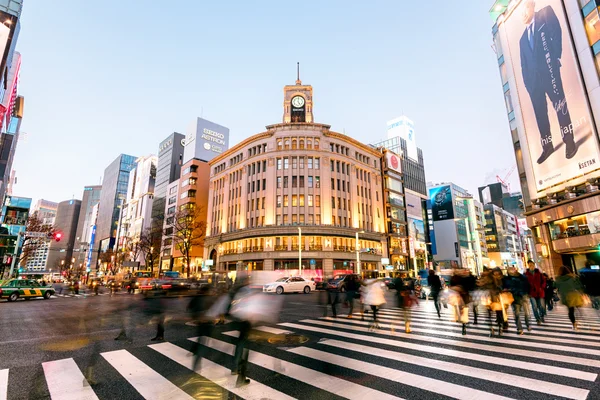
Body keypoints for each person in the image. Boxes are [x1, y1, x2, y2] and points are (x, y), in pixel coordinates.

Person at [519, 0, 577, 164]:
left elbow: (556, 31)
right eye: (520, 12)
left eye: (525, 9)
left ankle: (569, 140)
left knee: (560, 105)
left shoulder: (545, 14)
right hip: (534, 83)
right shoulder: (522, 40)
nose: (523, 14)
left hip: (549, 71)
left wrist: (556, 56)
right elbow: (523, 65)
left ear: (532, 5)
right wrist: (528, 84)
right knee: (540, 115)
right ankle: (547, 146)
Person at [227, 272, 252, 387]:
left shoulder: (235, 290)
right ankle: (241, 377)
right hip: (245, 319)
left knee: (240, 343)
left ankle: (234, 368)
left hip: (236, 319)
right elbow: (252, 304)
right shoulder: (246, 290)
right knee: (244, 345)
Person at [554, 265, 584, 330]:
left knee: (570, 310)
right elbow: (578, 286)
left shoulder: (558, 279)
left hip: (565, 297)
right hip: (574, 295)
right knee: (578, 308)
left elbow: (555, 286)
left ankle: (574, 324)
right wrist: (581, 292)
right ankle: (578, 320)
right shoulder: (573, 277)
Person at [504, 266, 531, 335]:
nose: (511, 271)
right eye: (509, 270)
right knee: (516, 314)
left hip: (523, 296)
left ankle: (528, 324)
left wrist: (527, 293)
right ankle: (519, 328)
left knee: (527, 313)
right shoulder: (507, 279)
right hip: (514, 298)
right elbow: (505, 287)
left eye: (513, 269)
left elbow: (527, 285)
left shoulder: (522, 277)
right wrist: (507, 290)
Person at [449, 269, 471, 335]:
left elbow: (467, 287)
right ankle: (461, 320)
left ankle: (464, 325)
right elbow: (450, 286)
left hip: (462, 295)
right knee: (459, 308)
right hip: (456, 295)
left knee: (464, 309)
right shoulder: (453, 278)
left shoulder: (464, 278)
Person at [525, 260, 546, 324]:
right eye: (530, 265)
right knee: (534, 306)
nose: (532, 266)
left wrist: (541, 287)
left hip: (539, 292)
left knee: (541, 306)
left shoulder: (539, 273)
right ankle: (537, 319)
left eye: (532, 264)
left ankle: (541, 316)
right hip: (531, 293)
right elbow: (525, 284)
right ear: (528, 265)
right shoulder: (526, 274)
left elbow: (544, 281)